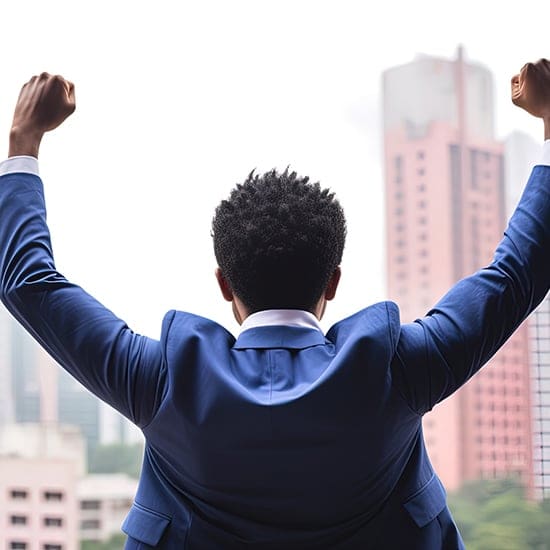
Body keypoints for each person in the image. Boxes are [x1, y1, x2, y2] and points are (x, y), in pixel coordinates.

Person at [0, 60, 548, 549]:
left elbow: (28, 282)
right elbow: (517, 273)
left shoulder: (163, 377)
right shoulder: (396, 366)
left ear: (223, 284)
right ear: (332, 283)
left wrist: (24, 139)